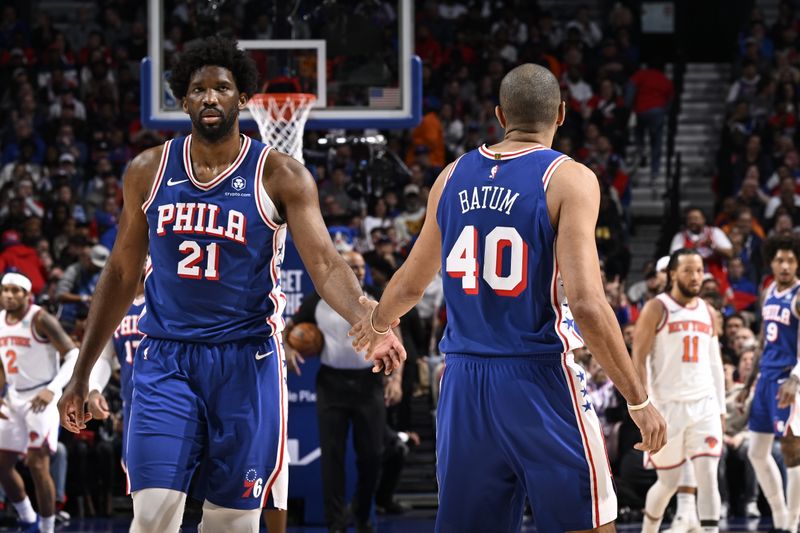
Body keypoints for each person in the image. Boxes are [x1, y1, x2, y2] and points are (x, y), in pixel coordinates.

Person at [57, 36, 404, 533]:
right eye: (198, 89)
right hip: (165, 358)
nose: (210, 97)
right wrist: (81, 371)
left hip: (245, 361)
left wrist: (368, 318)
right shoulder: (148, 171)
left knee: (232, 523)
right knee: (151, 516)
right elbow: (118, 274)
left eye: (222, 87)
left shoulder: (281, 175)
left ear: (243, 98)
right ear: (184, 99)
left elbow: (326, 265)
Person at [349, 63, 666, 532]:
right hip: (538, 378)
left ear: (500, 114)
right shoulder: (568, 178)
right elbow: (587, 304)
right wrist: (638, 400)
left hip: (462, 382)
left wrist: (377, 326)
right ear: (561, 114)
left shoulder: (451, 176)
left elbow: (411, 284)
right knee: (587, 523)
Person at [286, 250, 402, 533]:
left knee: (372, 456)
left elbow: (394, 338)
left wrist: (396, 380)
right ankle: (335, 524)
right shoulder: (318, 299)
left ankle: (362, 515)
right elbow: (287, 329)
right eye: (352, 266)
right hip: (332, 383)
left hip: (368, 383)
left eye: (361, 266)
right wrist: (289, 347)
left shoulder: (378, 298)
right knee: (332, 457)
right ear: (343, 270)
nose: (358, 270)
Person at [632, 249, 725, 533]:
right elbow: (638, 358)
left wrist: (721, 408)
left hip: (704, 404)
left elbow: (715, 363)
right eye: (688, 270)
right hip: (667, 407)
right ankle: (649, 529)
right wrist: (643, 405)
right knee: (668, 483)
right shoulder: (656, 308)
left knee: (708, 475)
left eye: (699, 270)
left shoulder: (709, 311)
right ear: (673, 274)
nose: (695, 277)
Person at [0, 272, 79, 533]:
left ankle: (46, 528)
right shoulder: (0, 320)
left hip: (42, 396)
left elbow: (73, 354)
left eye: (15, 291)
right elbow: (3, 365)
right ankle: (27, 518)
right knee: (2, 464)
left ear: (27, 294)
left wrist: (53, 389)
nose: (8, 295)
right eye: (5, 290)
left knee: (37, 463)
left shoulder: (40, 318)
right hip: (13, 397)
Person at [739, 235, 800, 532]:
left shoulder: (799, 295)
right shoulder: (769, 291)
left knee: (792, 450)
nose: (785, 265)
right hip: (765, 380)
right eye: (779, 260)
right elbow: (763, 341)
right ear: (771, 262)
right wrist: (748, 383)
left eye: (790, 260)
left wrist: (796, 378)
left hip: (788, 380)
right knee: (756, 453)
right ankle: (780, 517)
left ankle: (792, 523)